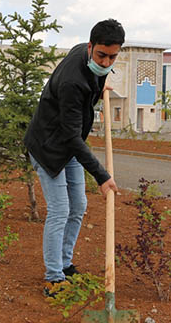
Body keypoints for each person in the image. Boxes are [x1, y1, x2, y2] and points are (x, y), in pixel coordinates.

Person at [23, 19, 123, 297]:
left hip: (69, 144)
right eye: (101, 55)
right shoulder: (71, 82)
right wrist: (102, 176)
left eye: (112, 57)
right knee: (60, 210)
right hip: (49, 147)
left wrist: (101, 86)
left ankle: (65, 265)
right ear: (91, 47)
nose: (105, 62)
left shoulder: (88, 56)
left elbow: (98, 76)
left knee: (78, 206)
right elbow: (70, 136)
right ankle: (53, 278)